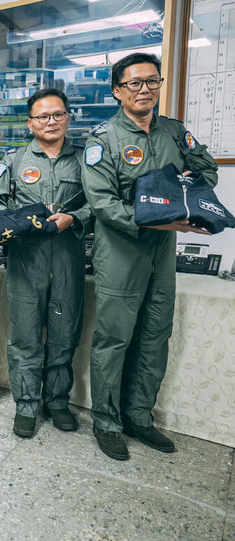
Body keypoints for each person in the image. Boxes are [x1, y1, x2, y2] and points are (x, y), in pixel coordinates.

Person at [81, 53, 217, 460]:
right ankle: (107, 422)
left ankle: (139, 417)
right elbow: (102, 203)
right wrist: (153, 219)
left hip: (163, 253)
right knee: (114, 339)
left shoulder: (174, 133)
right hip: (122, 251)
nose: (144, 90)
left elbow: (206, 171)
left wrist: (185, 201)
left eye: (152, 82)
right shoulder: (102, 140)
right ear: (117, 91)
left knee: (156, 336)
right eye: (134, 83)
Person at [0, 88, 92, 438]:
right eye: (43, 117)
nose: (51, 121)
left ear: (68, 118)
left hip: (67, 257)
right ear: (30, 123)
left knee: (64, 334)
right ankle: (27, 404)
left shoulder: (84, 161)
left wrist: (75, 218)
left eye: (58, 114)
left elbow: (98, 205)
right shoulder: (15, 161)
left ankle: (58, 401)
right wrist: (17, 224)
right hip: (26, 261)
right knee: (25, 336)